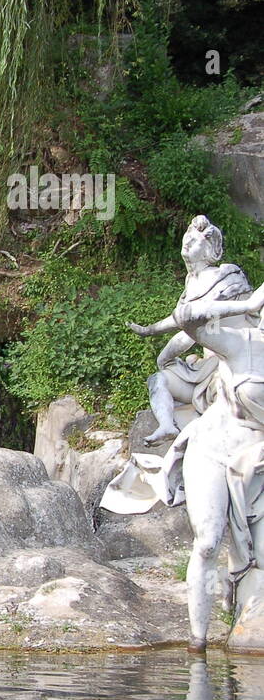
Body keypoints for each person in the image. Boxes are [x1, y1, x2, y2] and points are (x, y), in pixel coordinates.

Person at [153, 216, 264, 650]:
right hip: (216, 447)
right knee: (207, 541)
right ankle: (197, 642)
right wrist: (244, 308)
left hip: (254, 452)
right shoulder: (240, 344)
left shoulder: (240, 324)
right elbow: (190, 320)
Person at [126, 218, 257, 443]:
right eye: (187, 238)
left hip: (233, 360)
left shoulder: (224, 276)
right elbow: (188, 327)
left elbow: (197, 323)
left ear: (209, 251)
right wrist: (151, 333)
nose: (186, 244)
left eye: (194, 241)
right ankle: (167, 426)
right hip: (205, 368)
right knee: (159, 380)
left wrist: (152, 334)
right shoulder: (190, 285)